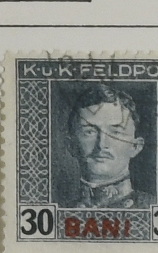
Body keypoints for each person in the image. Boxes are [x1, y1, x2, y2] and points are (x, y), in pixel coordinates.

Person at [60, 81, 144, 209]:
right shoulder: (62, 209)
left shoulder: (151, 206)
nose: (101, 144)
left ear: (135, 146)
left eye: (115, 133)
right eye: (89, 132)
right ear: (71, 146)